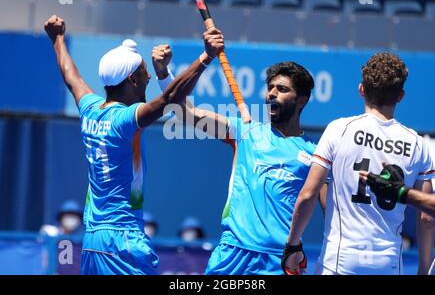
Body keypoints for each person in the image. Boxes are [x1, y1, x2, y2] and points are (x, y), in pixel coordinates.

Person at [44, 15, 224, 275]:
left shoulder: (90, 108)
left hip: (93, 241)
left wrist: (57, 38)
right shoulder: (125, 119)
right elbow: (171, 98)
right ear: (132, 80)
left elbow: (70, 75)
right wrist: (205, 57)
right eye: (144, 71)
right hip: (123, 239)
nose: (149, 76)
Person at [152, 46, 326, 274]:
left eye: (282, 89)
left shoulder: (316, 154)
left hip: (278, 261)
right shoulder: (244, 131)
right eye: (270, 88)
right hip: (232, 256)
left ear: (301, 100)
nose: (272, 93)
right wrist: (164, 74)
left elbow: (332, 212)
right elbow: (185, 113)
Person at [283, 53, 435, 275]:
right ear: (400, 96)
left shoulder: (338, 129)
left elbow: (307, 196)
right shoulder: (418, 144)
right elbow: (426, 217)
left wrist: (292, 246)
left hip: (339, 262)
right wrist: (423, 269)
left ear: (361, 89)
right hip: (389, 264)